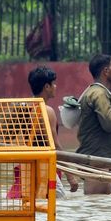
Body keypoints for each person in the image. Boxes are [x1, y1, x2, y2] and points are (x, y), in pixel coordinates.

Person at [27, 66, 79, 196]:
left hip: (25, 167)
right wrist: (70, 175)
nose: (55, 86)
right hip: (44, 167)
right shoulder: (47, 110)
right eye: (53, 84)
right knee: (58, 202)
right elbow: (55, 145)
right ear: (46, 87)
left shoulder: (25, 107)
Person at [76, 54, 111, 195]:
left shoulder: (93, 91)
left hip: (100, 160)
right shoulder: (99, 94)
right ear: (106, 71)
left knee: (104, 204)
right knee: (95, 204)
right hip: (96, 161)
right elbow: (109, 124)